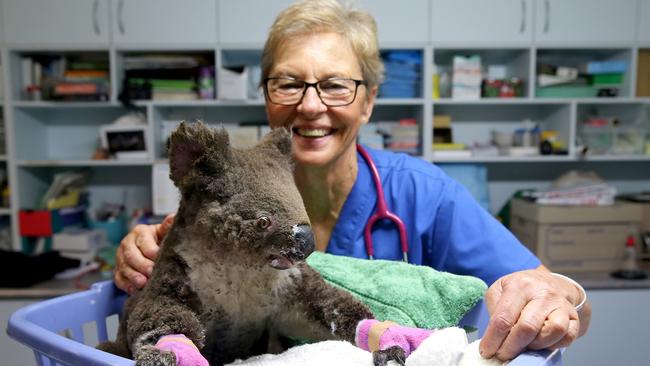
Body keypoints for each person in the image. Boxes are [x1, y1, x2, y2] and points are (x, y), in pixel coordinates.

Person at [114, 0, 591, 361]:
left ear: (368, 101)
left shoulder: (422, 193)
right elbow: (168, 280)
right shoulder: (229, 195)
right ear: (266, 96)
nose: (310, 105)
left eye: (336, 84)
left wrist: (559, 296)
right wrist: (138, 256)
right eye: (288, 83)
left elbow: (559, 300)